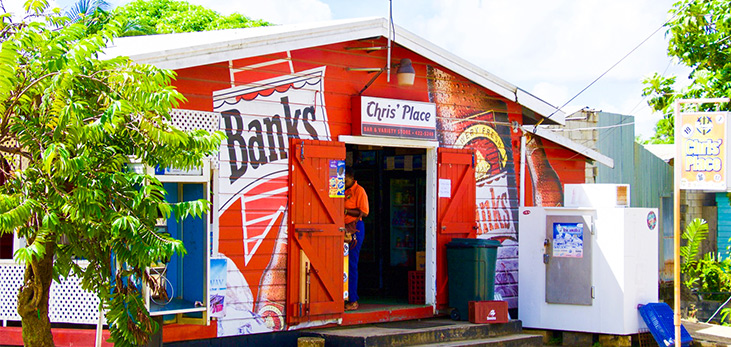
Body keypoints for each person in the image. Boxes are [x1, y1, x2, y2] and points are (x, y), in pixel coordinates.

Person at [344, 167, 369, 311]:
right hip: (342, 227)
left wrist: (345, 211)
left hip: (354, 228)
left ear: (352, 178)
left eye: (346, 179)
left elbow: (364, 212)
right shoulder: (340, 190)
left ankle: (353, 300)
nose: (343, 182)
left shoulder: (359, 191)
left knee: (351, 264)